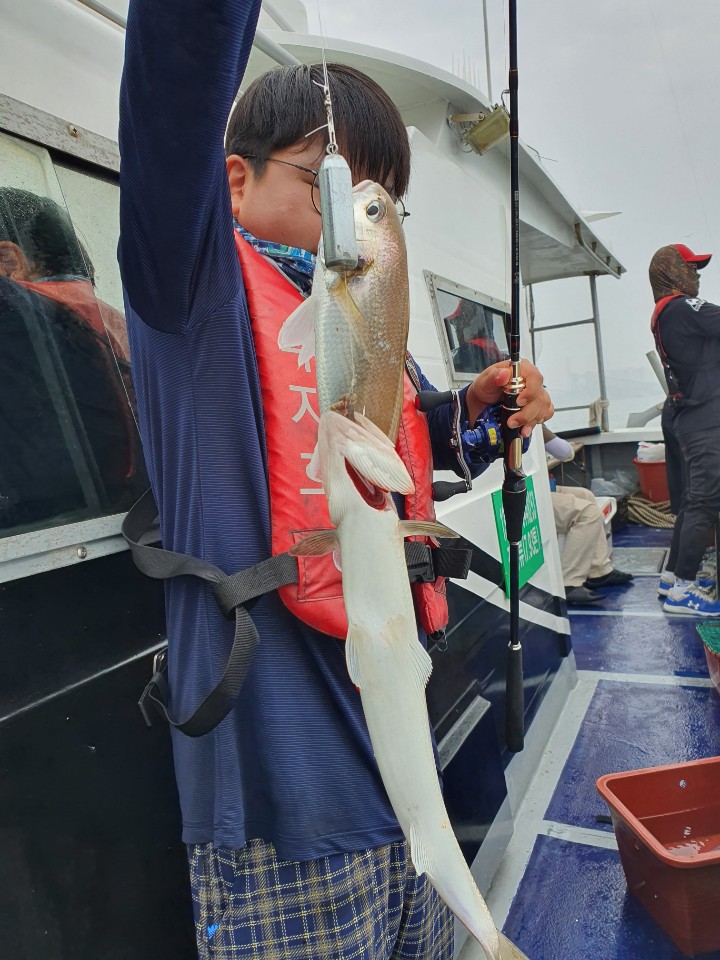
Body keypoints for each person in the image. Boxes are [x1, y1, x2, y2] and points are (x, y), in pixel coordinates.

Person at [118, 2, 554, 957]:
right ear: (232, 182)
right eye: (331, 188)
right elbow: (174, 83)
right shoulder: (188, 291)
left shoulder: (359, 314)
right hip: (285, 812)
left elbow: (407, 440)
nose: (355, 227)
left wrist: (476, 405)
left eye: (381, 203)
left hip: (406, 788)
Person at [649, 244, 720, 616]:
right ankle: (683, 590)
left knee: (694, 500)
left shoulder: (668, 314)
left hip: (691, 419)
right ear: (671, 272)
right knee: (705, 502)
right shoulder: (680, 307)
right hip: (706, 421)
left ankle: (674, 575)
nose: (696, 275)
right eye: (691, 268)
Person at [544, 429, 633, 605]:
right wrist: (543, 428)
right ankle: (569, 583)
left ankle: (598, 570)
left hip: (536, 487)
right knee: (588, 513)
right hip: (522, 495)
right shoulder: (533, 423)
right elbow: (565, 453)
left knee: (586, 495)